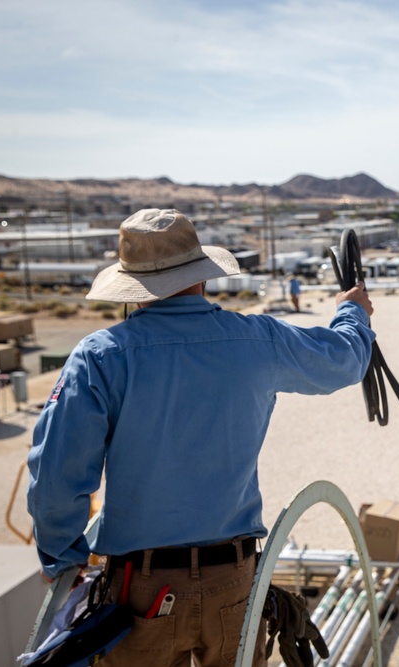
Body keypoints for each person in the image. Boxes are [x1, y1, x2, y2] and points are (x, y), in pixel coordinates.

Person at [27, 208, 374, 666]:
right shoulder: (256, 338)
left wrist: (62, 560)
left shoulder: (102, 356)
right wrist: (354, 311)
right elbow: (344, 360)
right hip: (232, 580)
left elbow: (57, 475)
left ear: (133, 288)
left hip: (139, 589)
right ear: (202, 274)